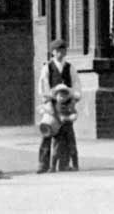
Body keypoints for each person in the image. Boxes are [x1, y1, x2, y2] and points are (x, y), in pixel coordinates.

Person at [36, 39, 80, 173]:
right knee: (48, 132)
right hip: (51, 103)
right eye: (57, 51)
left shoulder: (70, 67)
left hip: (65, 104)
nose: (60, 53)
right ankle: (43, 164)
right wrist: (48, 100)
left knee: (65, 134)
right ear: (52, 52)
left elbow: (76, 84)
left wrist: (73, 97)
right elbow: (43, 85)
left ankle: (64, 164)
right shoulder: (47, 67)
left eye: (63, 50)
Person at [46, 84, 79, 172]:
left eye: (64, 95)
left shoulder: (70, 105)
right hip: (58, 129)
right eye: (60, 95)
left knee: (72, 146)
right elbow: (49, 112)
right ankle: (53, 166)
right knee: (56, 147)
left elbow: (74, 114)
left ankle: (75, 165)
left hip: (68, 129)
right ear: (56, 96)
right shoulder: (54, 105)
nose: (62, 98)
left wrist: (71, 117)